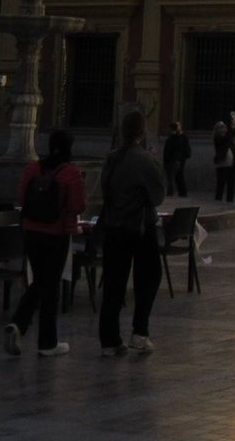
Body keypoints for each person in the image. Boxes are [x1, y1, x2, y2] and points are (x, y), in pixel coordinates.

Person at [4, 128, 86, 358]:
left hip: (31, 232)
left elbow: (22, 199)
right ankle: (46, 341)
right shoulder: (70, 173)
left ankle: (19, 325)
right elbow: (78, 205)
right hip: (57, 233)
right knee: (49, 286)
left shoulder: (33, 168)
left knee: (40, 280)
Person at [98, 110, 166, 357]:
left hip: (114, 227)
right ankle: (140, 332)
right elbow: (158, 196)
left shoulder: (112, 158)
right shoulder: (145, 159)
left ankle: (109, 339)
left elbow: (105, 189)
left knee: (113, 283)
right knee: (149, 276)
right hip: (140, 227)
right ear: (142, 131)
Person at [211, 115, 235, 203]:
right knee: (221, 183)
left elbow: (234, 131)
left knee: (231, 184)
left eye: (224, 126)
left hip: (232, 164)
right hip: (222, 164)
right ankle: (218, 200)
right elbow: (226, 137)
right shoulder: (218, 138)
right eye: (221, 126)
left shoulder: (229, 137)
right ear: (217, 129)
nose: (224, 128)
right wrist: (232, 126)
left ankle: (230, 200)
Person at [162, 121, 191, 197]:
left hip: (179, 160)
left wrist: (181, 158)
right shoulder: (170, 138)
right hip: (171, 161)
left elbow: (187, 150)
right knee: (171, 178)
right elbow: (167, 150)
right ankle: (171, 193)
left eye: (177, 126)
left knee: (179, 177)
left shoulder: (183, 138)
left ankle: (182, 193)